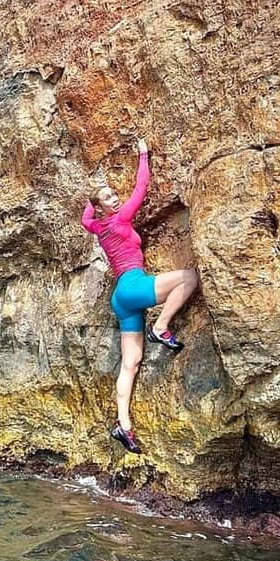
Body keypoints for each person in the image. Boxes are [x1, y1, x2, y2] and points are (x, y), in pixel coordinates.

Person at [81, 138, 199, 454]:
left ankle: (124, 425)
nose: (115, 199)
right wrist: (144, 155)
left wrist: (91, 202)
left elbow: (84, 219)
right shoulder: (118, 220)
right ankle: (160, 327)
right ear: (102, 207)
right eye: (107, 197)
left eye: (113, 194)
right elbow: (141, 187)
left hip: (121, 300)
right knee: (189, 278)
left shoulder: (96, 227)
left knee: (130, 364)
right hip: (132, 287)